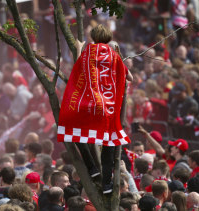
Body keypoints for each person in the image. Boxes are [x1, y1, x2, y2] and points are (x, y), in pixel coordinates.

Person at [57, 24, 133, 194]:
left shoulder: (89, 52)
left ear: (93, 36)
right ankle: (107, 184)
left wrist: (78, 48)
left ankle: (92, 167)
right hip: (109, 108)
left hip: (90, 105)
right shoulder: (114, 56)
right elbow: (130, 77)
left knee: (72, 129)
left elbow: (78, 67)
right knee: (108, 144)